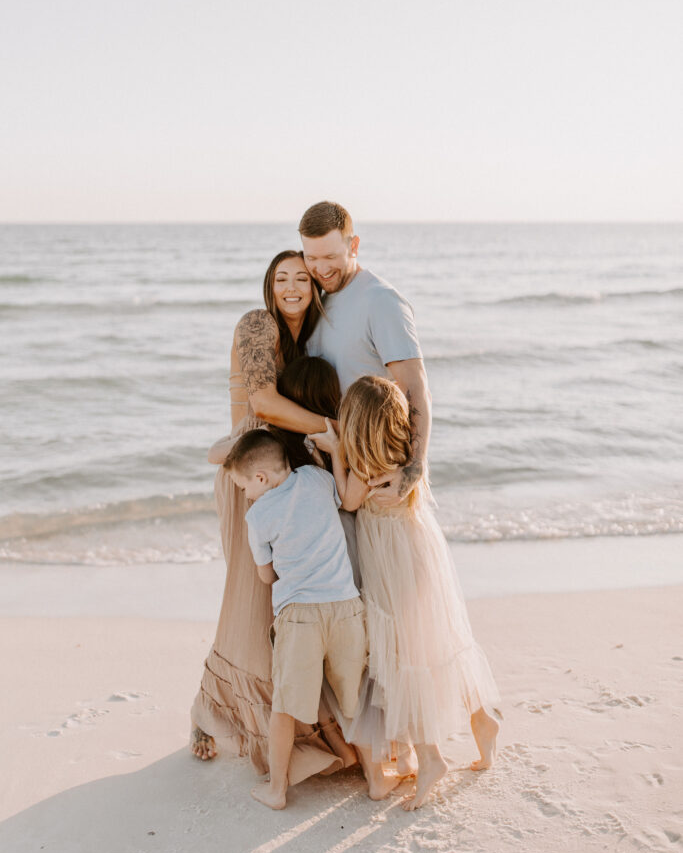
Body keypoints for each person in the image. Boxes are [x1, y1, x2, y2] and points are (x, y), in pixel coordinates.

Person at [190, 251, 354, 783]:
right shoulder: (258, 325)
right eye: (281, 278)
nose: (291, 287)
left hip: (292, 479)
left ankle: (298, 717)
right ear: (269, 285)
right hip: (253, 482)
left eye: (301, 278)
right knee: (251, 597)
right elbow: (262, 401)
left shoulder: (308, 338)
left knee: (287, 600)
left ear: (314, 287)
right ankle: (211, 713)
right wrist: (338, 429)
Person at [312, 376, 501, 810]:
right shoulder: (404, 458)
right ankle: (482, 721)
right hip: (423, 550)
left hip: (390, 567)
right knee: (444, 640)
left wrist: (337, 451)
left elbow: (348, 501)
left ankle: (432, 757)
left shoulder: (363, 466)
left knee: (406, 657)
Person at [225, 428, 367, 810]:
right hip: (346, 607)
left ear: (261, 478)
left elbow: (267, 576)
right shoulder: (317, 480)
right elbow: (344, 497)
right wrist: (336, 451)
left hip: (300, 616)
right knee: (355, 701)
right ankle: (380, 777)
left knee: (285, 707)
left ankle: (277, 789)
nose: (245, 494)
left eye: (243, 486)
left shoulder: (258, 516)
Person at [299, 201, 430, 507]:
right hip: (337, 475)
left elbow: (415, 386)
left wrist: (414, 468)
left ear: (354, 245)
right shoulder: (315, 299)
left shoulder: (380, 301)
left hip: (375, 478)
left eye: (331, 256)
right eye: (312, 258)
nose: (321, 269)